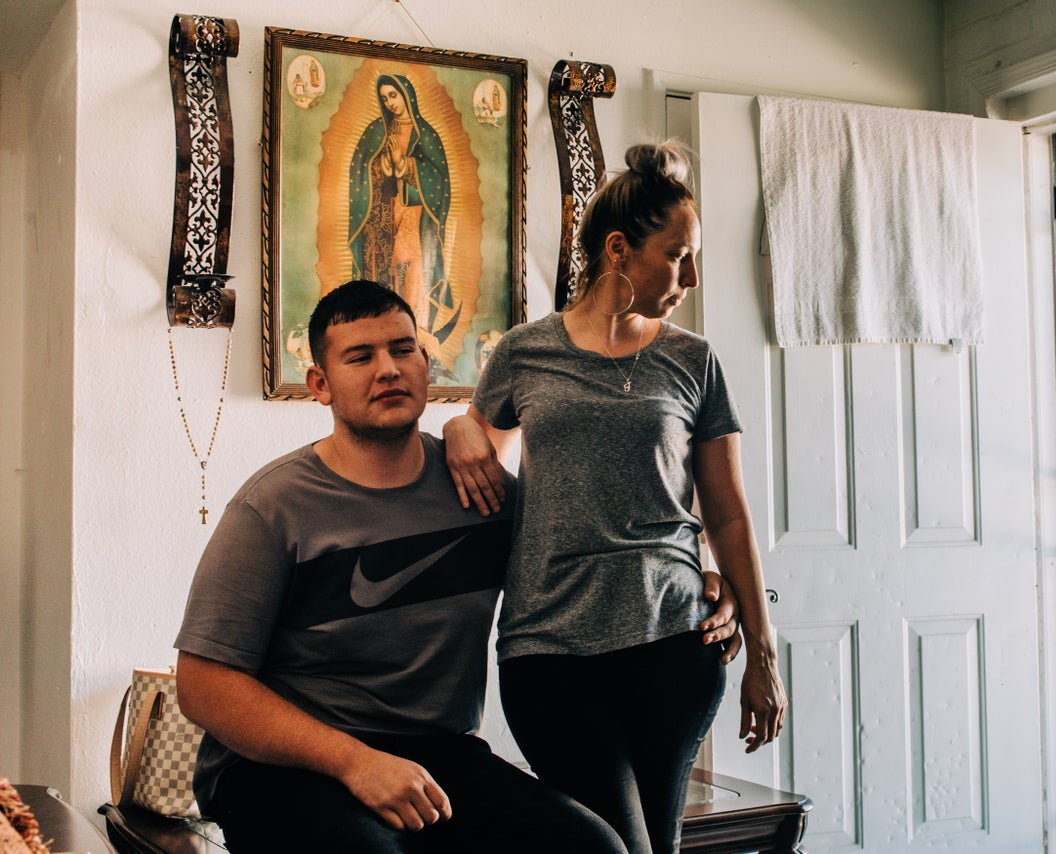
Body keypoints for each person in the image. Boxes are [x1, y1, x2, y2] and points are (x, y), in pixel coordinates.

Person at [175, 281, 651, 852]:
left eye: (404, 350)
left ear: (427, 364)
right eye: (360, 356)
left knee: (592, 847)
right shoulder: (273, 507)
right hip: (280, 767)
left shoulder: (480, 492)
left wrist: (704, 579)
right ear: (319, 385)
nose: (389, 370)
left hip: (437, 754)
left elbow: (588, 564)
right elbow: (203, 687)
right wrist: (355, 762)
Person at [443, 141, 788, 854]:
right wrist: (457, 426)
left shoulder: (693, 360)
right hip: (547, 651)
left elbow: (726, 512)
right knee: (606, 845)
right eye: (677, 254)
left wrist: (763, 653)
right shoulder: (524, 352)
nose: (690, 276)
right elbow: (482, 463)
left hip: (671, 644)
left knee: (651, 846)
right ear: (620, 251)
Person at [348, 75, 459, 368]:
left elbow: (438, 181)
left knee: (413, 270)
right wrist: (380, 168)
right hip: (381, 216)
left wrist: (406, 166)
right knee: (382, 271)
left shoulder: (426, 135)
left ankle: (413, 335)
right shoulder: (376, 131)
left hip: (413, 216)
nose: (390, 103)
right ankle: (379, 334)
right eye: (384, 98)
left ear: (406, 95)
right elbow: (360, 172)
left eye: (393, 96)